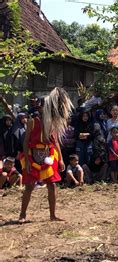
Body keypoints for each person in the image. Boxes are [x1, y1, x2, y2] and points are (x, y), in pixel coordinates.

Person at [19, 87, 73, 223]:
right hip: (33, 155)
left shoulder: (53, 123)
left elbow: (56, 143)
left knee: (52, 185)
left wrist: (60, 159)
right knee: (29, 186)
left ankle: (52, 215)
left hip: (49, 155)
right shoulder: (32, 121)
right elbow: (25, 143)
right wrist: (28, 161)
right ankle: (22, 215)